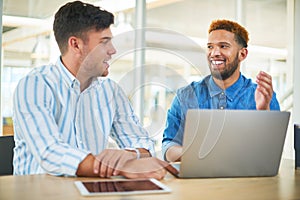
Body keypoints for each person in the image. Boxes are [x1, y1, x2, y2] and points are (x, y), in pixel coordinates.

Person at [12, 1, 175, 180]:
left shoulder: (111, 91)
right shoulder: (35, 85)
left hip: (93, 191)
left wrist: (128, 155)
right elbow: (50, 152)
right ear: (76, 45)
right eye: (104, 42)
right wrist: (116, 168)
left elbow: (143, 143)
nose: (112, 50)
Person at [162, 19, 280, 162]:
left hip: (247, 182)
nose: (214, 53)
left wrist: (263, 112)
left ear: (242, 54)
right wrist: (197, 154)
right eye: (210, 47)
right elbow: (169, 146)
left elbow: (271, 152)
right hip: (197, 181)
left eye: (223, 46)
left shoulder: (263, 96)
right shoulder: (185, 96)